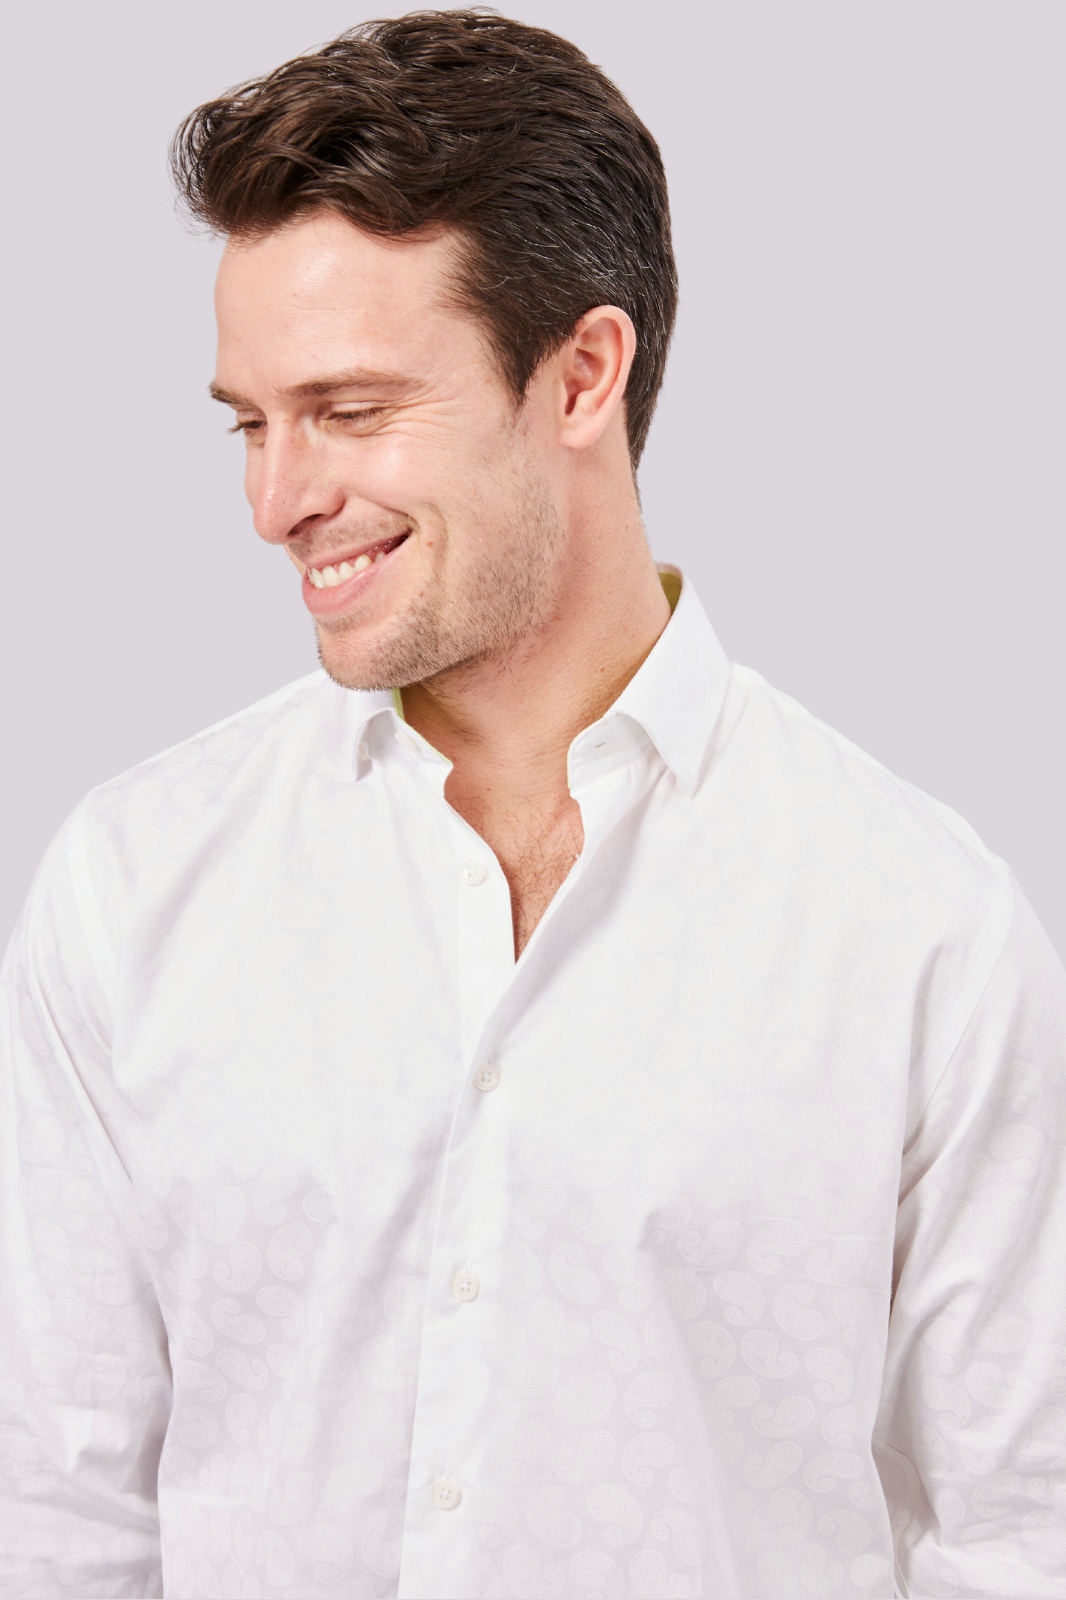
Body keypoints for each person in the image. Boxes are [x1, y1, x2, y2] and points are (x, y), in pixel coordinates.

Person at [1, 9, 1063, 1598]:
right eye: (249, 421)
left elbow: (1014, 1530)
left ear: (580, 375)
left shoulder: (919, 930)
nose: (275, 500)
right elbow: (62, 1512)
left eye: (349, 411)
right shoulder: (131, 885)